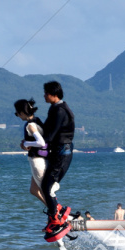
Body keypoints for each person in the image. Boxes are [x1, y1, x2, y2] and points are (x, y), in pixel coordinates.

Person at [40, 80, 76, 240]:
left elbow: (49, 135)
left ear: (53, 94)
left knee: (47, 186)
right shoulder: (55, 108)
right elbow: (46, 129)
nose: (44, 95)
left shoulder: (60, 111)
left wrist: (31, 144)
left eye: (46, 93)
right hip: (58, 152)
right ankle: (57, 212)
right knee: (47, 185)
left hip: (62, 153)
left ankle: (56, 219)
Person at [14, 97, 59, 204]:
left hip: (37, 161)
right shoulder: (37, 120)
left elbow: (41, 142)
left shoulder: (30, 125)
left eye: (17, 114)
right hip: (42, 159)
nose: (18, 116)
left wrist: (26, 143)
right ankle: (53, 211)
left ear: (22, 113)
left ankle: (60, 214)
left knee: (46, 191)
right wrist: (27, 143)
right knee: (34, 190)